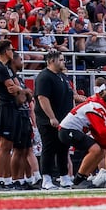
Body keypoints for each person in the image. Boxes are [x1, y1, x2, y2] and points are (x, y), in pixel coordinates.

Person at [58, 89, 106, 187]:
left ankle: (84, 177)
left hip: (74, 130)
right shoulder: (96, 107)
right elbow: (101, 131)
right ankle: (78, 180)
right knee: (95, 149)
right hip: (68, 129)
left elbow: (98, 133)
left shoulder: (101, 108)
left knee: (101, 151)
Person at [0, 39, 30, 187]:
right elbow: (12, 88)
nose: (13, 52)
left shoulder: (7, 67)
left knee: (10, 145)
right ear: (6, 51)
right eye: (11, 49)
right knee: (4, 146)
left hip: (12, 107)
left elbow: (16, 87)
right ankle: (0, 180)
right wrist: (23, 90)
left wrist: (20, 90)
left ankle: (7, 179)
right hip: (5, 107)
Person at [33, 48, 77, 190]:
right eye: (62, 59)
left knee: (63, 148)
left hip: (64, 120)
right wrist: (51, 117)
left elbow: (71, 96)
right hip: (49, 121)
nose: (64, 62)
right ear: (52, 61)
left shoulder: (63, 77)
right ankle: (46, 178)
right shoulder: (44, 76)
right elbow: (42, 98)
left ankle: (64, 177)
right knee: (49, 148)